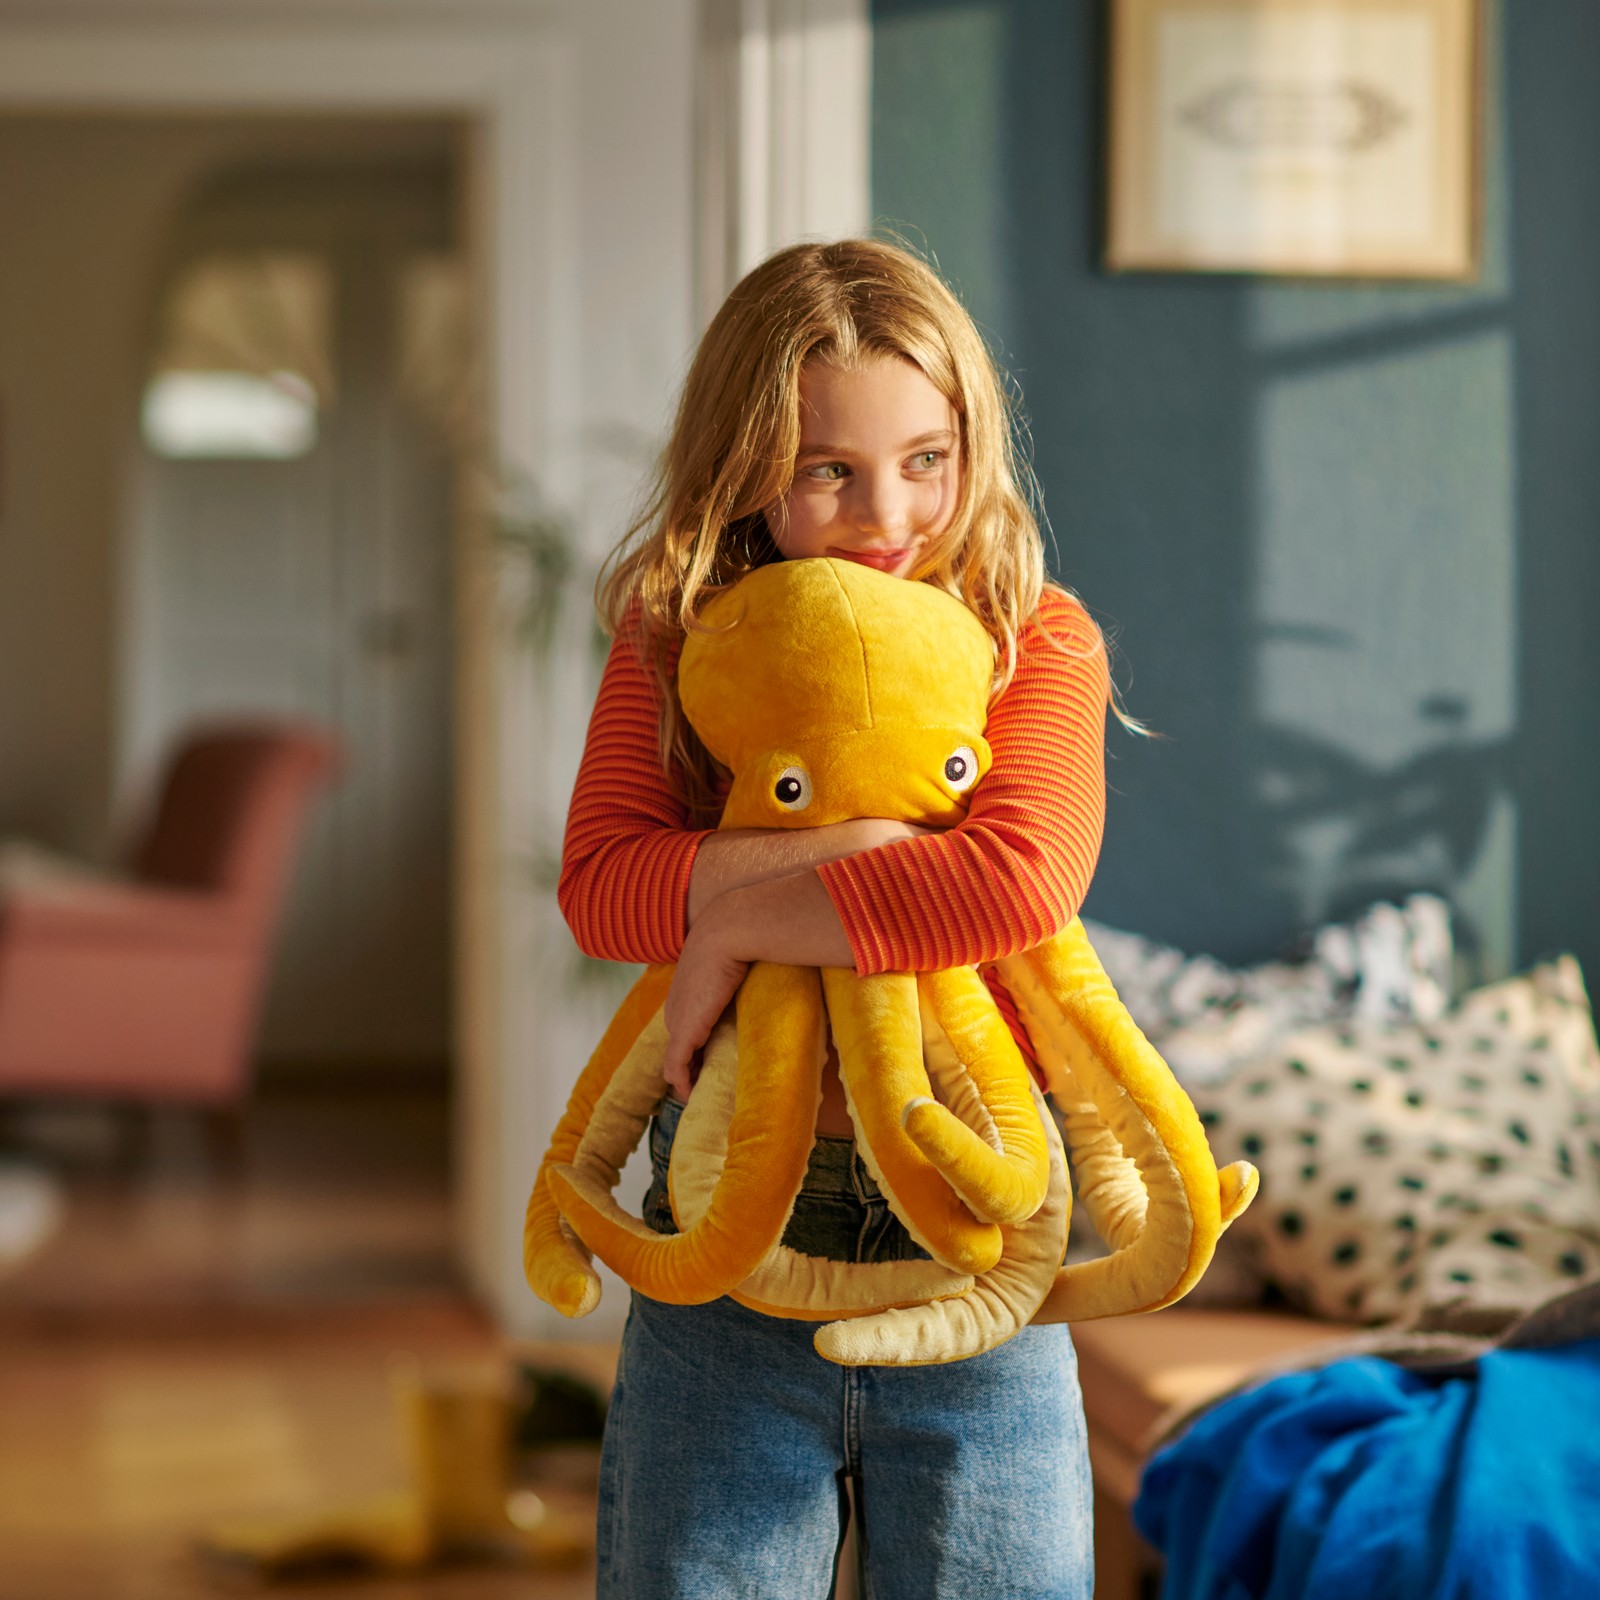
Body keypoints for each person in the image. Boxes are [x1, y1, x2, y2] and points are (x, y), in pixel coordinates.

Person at [558, 238, 1110, 1599]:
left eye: (929, 458)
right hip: (728, 1245)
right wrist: (878, 850)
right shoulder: (675, 636)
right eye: (830, 470)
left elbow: (1019, 882)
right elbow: (601, 886)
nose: (891, 516)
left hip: (978, 1241)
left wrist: (732, 922)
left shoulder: (1037, 637)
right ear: (746, 467)